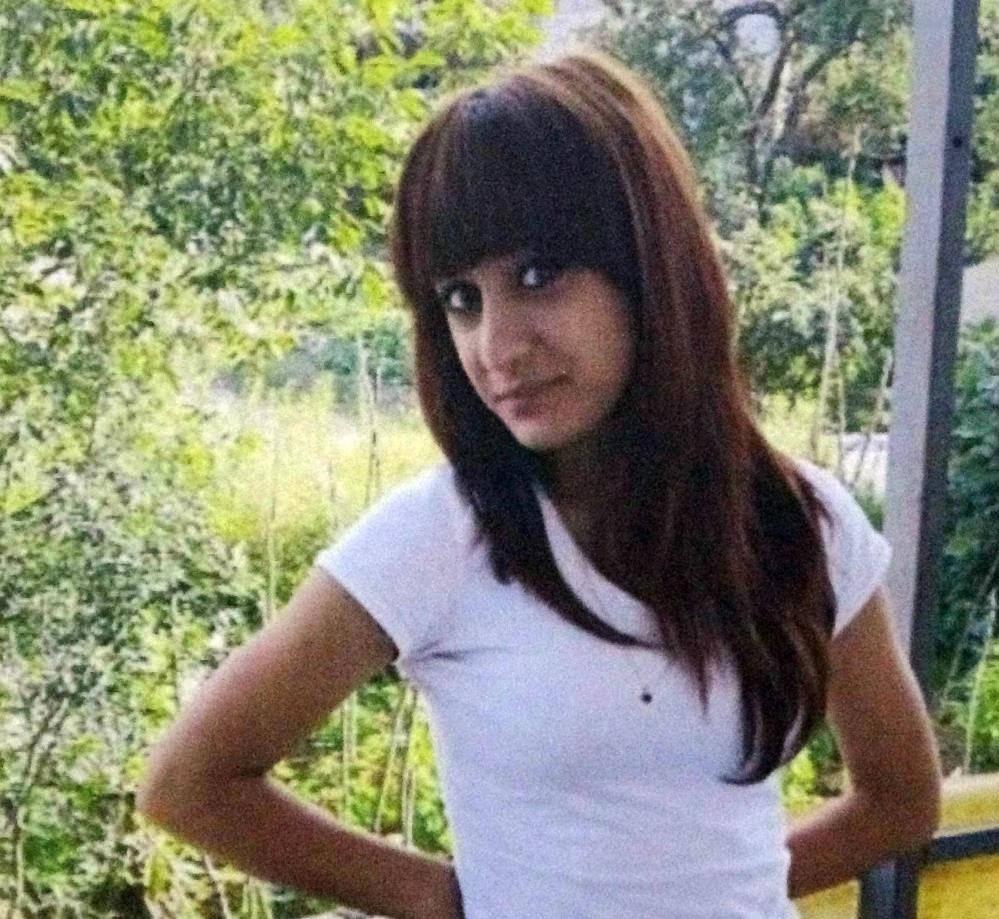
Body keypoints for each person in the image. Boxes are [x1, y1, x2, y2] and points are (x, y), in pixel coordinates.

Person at [137, 49, 942, 918]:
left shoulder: (797, 521)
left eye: (535, 275)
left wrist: (722, 889)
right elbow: (191, 781)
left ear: (650, 264)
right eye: (460, 298)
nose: (497, 347)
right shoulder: (442, 534)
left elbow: (900, 800)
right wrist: (457, 900)